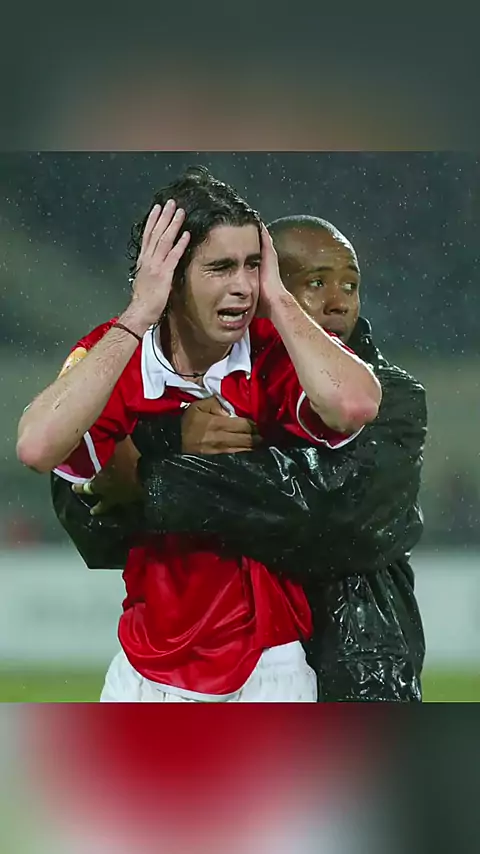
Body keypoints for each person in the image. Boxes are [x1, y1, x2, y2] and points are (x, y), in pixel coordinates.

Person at [17, 167, 381, 703]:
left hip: (270, 665)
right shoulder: (121, 352)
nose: (243, 285)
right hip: (147, 667)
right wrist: (139, 312)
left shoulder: (272, 347)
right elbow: (36, 446)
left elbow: (356, 404)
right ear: (171, 276)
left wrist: (279, 299)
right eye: (221, 267)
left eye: (252, 265)